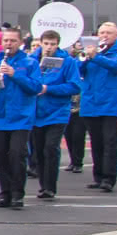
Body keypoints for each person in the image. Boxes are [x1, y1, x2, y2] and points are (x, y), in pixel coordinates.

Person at [0, 26, 41, 209]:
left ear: (20, 42)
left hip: (21, 116)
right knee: (0, 156)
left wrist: (14, 74)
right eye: (6, 41)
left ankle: (18, 194)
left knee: (18, 154)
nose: (8, 44)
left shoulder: (29, 63)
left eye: (12, 41)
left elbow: (35, 88)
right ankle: (5, 193)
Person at [78, 22, 117, 193]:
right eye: (102, 32)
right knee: (96, 142)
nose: (104, 35)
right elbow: (79, 70)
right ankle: (98, 176)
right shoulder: (91, 50)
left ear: (116, 36)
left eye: (109, 32)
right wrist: (84, 58)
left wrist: (96, 57)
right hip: (91, 103)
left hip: (111, 104)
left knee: (109, 143)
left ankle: (109, 178)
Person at [30, 29, 81, 201]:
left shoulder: (67, 62)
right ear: (41, 43)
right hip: (36, 112)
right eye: (46, 44)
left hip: (57, 111)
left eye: (53, 44)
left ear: (58, 44)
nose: (49, 47)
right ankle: (43, 185)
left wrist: (48, 89)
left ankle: (50, 187)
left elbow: (74, 86)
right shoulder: (31, 60)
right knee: (39, 150)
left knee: (51, 148)